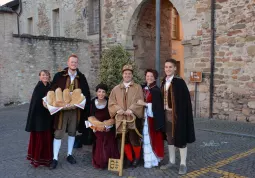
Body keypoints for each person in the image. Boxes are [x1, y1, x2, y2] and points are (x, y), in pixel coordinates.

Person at [49, 54, 91, 169]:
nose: (74, 64)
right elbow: (52, 89)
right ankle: (55, 158)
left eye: (75, 62)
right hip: (61, 110)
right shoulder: (59, 75)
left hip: (75, 110)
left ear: (77, 64)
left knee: (72, 132)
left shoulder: (81, 77)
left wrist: (82, 103)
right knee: (58, 132)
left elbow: (86, 92)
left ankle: (69, 154)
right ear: (68, 63)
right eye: (72, 62)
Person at [159, 59, 195, 175]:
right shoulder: (163, 82)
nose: (168, 69)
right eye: (166, 67)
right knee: (170, 138)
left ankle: (183, 164)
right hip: (166, 114)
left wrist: (182, 116)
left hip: (178, 115)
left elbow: (185, 102)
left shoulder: (180, 82)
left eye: (170, 67)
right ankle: (171, 161)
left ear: (175, 68)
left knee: (180, 139)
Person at [108, 64, 144, 168]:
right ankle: (129, 158)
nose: (127, 75)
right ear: (122, 75)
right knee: (124, 140)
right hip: (120, 119)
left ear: (132, 75)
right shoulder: (116, 89)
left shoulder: (138, 88)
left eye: (129, 74)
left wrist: (131, 109)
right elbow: (111, 102)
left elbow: (140, 101)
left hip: (133, 118)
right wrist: (118, 109)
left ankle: (137, 158)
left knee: (134, 139)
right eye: (125, 73)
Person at [137, 69, 165, 168]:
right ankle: (147, 159)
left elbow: (157, 107)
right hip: (145, 118)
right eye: (147, 76)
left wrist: (144, 104)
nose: (149, 78)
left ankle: (154, 160)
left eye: (151, 76)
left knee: (152, 139)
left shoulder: (156, 90)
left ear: (155, 78)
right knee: (145, 139)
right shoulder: (144, 88)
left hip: (153, 119)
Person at [25, 70, 53, 168]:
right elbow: (35, 104)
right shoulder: (38, 88)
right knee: (40, 138)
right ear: (40, 77)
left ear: (49, 76)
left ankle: (46, 159)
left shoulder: (50, 86)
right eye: (43, 75)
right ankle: (37, 159)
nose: (45, 77)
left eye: (47, 75)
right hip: (39, 118)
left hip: (48, 116)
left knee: (47, 138)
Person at [88, 83, 120, 169]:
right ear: (96, 92)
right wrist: (97, 126)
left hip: (108, 128)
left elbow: (113, 117)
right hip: (97, 128)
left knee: (110, 139)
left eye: (103, 92)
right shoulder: (92, 102)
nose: (101, 94)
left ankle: (111, 163)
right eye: (99, 91)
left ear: (106, 93)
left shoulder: (110, 102)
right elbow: (90, 117)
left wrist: (107, 126)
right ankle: (100, 162)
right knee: (100, 139)